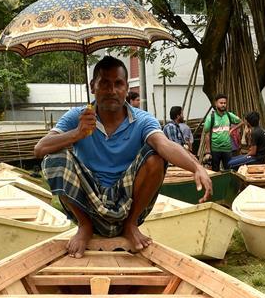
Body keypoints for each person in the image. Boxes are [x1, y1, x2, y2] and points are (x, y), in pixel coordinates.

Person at [34, 56, 212, 258]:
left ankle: (130, 225)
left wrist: (197, 167)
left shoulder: (143, 120)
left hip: (126, 199)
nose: (112, 90)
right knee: (54, 157)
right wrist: (77, 133)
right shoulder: (78, 117)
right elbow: (40, 149)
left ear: (126, 88)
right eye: (104, 83)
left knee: (156, 156)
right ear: (93, 86)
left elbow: (164, 144)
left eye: (118, 84)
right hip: (87, 200)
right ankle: (84, 227)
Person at [202, 94, 243, 170]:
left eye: (224, 103)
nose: (223, 105)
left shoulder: (229, 115)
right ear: (216, 104)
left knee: (229, 170)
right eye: (221, 103)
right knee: (215, 171)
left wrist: (232, 129)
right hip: (215, 149)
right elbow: (207, 135)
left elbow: (241, 122)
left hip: (227, 149)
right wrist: (208, 152)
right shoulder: (211, 117)